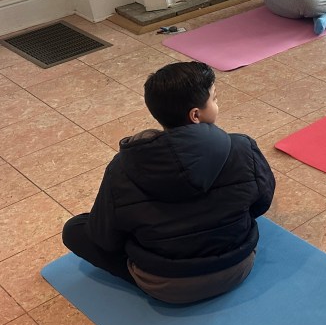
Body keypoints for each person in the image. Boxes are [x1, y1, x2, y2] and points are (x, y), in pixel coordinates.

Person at [61, 61, 276, 304]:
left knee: (75, 229)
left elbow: (104, 238)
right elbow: (261, 203)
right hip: (237, 266)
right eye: (214, 99)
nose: (218, 104)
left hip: (164, 285)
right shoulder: (243, 147)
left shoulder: (123, 166)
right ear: (195, 115)